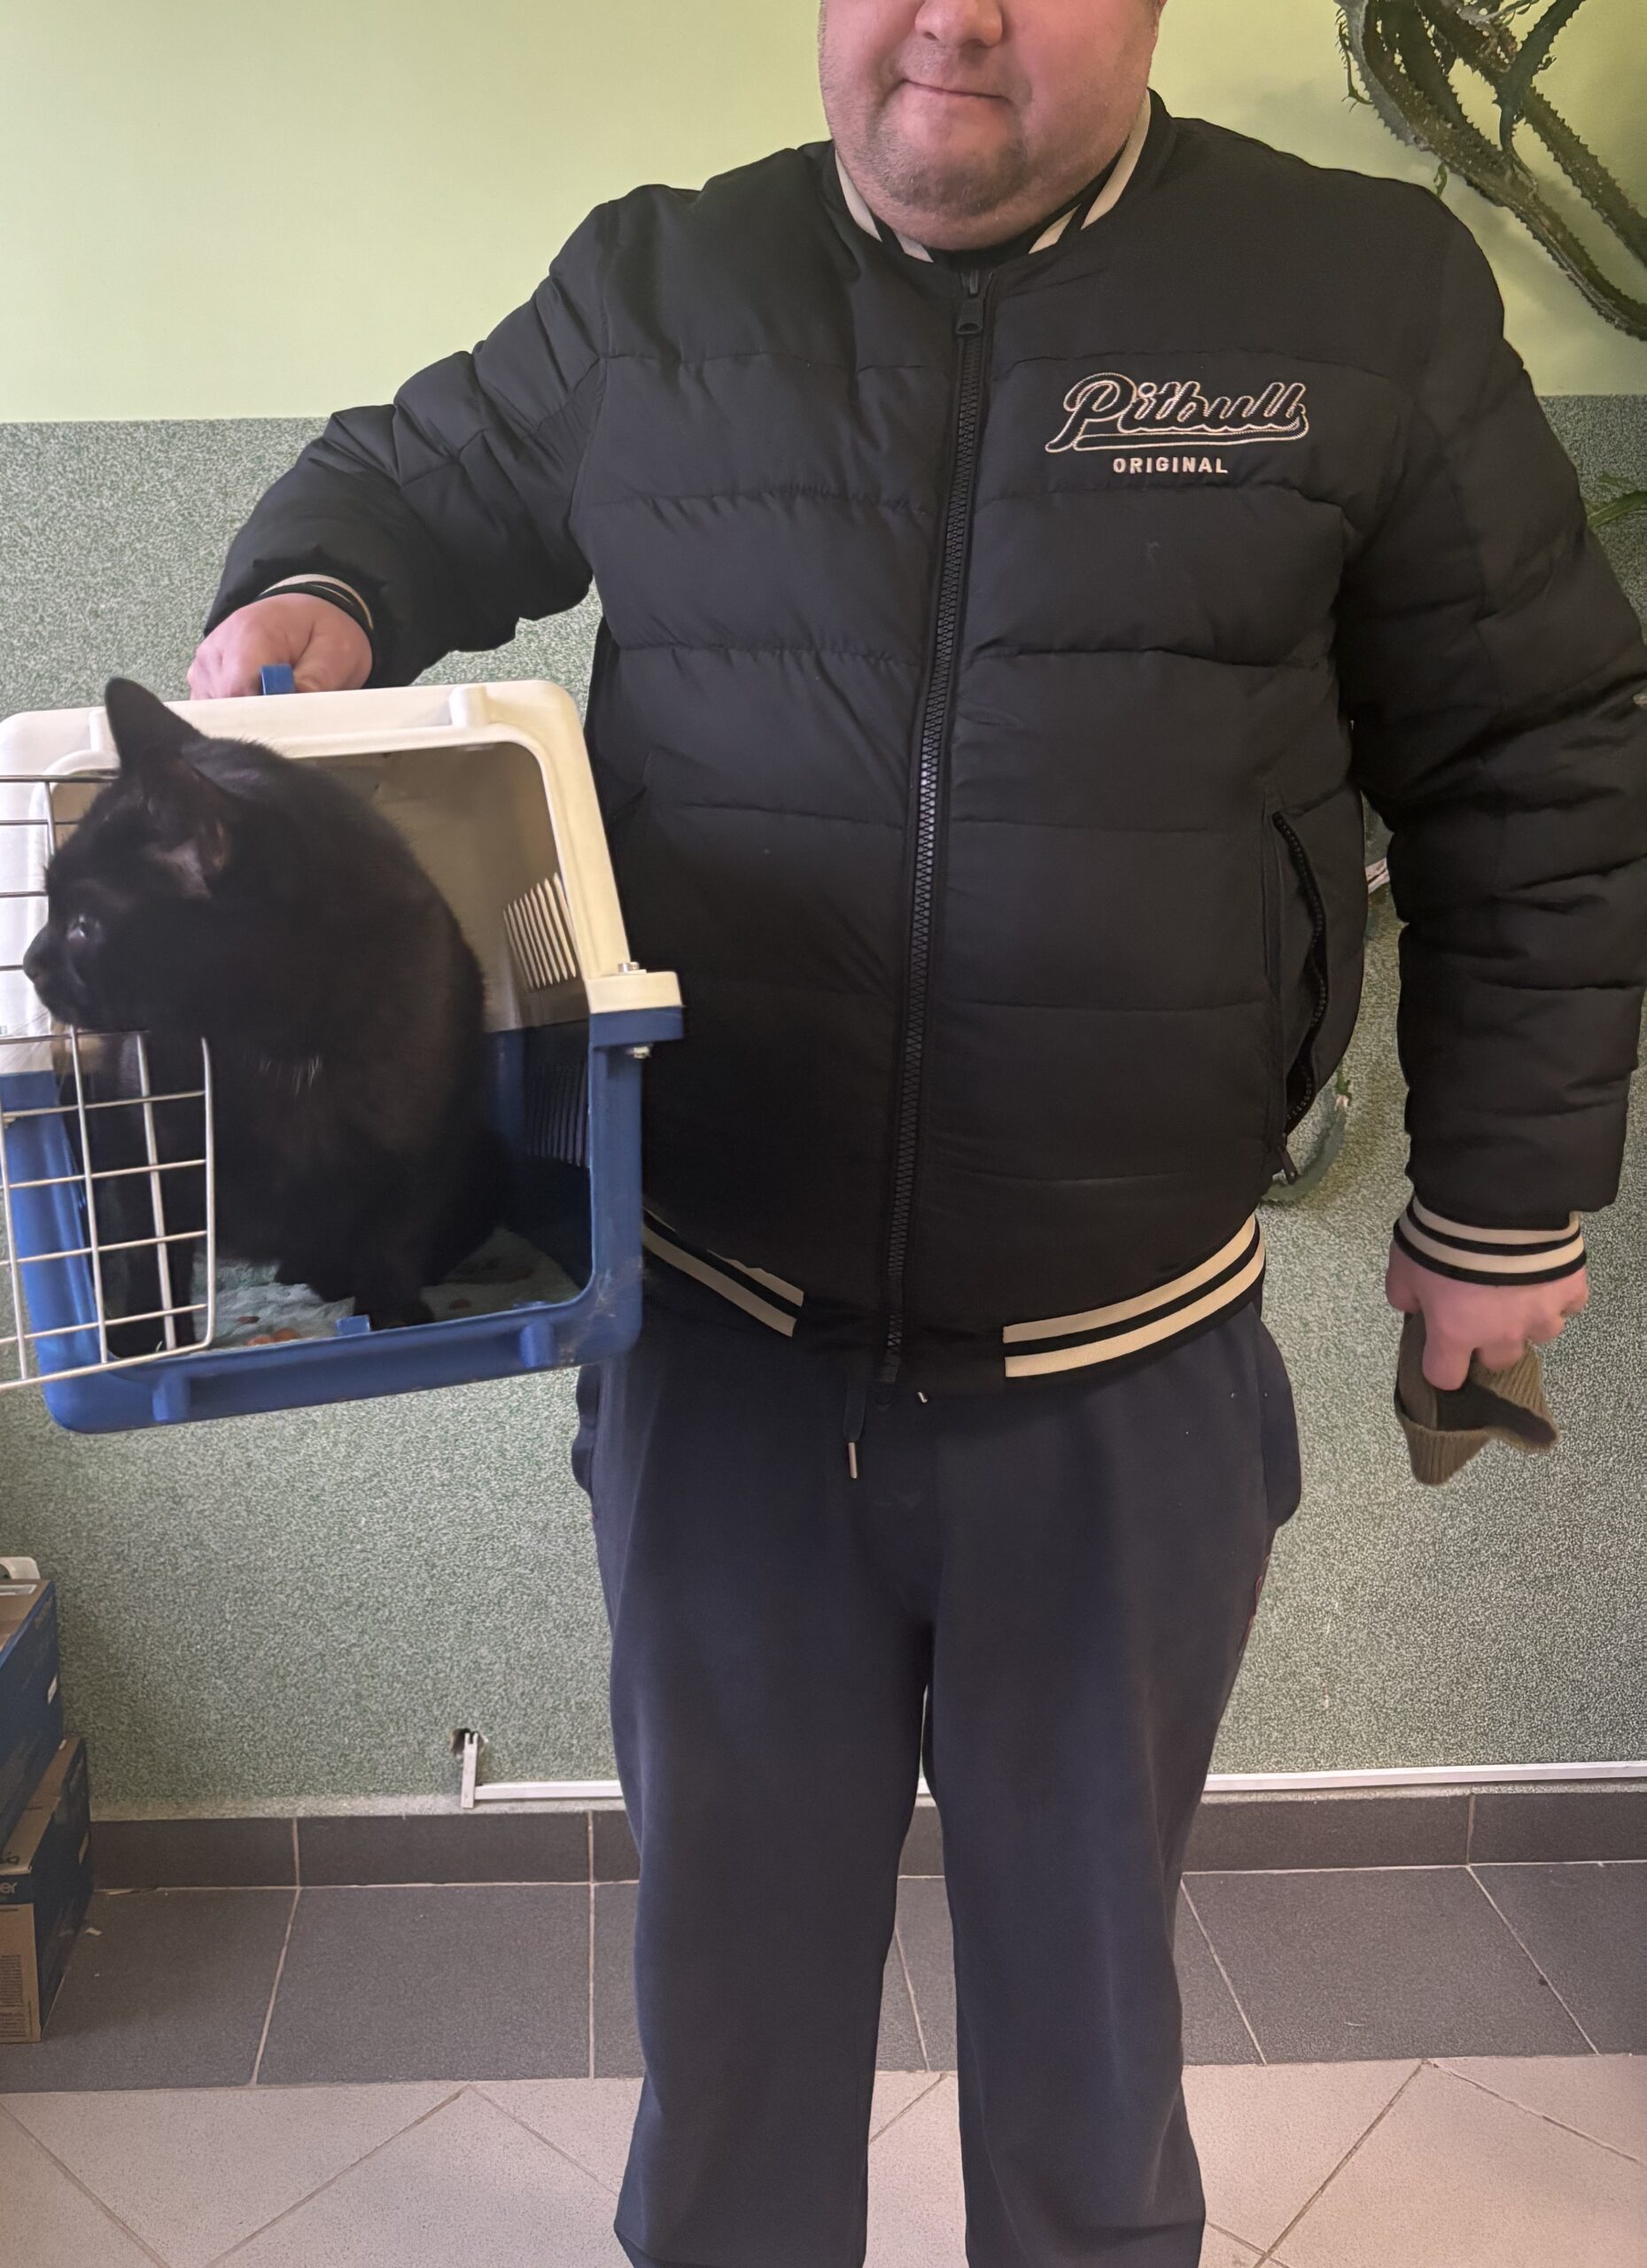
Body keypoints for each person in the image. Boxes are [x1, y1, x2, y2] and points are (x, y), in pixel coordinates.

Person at [191, 2, 1647, 2258]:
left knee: (1085, 2041)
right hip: (723, 1372)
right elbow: (400, 485)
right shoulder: (661, 283)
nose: (950, 15)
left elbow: (1537, 754)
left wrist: (1504, 1197)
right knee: (732, 2035)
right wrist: (311, 590)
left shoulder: (1359, 296)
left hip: (1120, 1391)